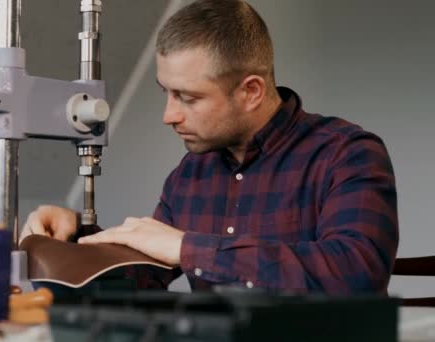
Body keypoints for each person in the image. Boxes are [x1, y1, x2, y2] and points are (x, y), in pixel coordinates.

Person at [20, 0, 398, 294]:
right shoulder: (188, 176)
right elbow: (140, 276)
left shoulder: (346, 154)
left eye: (188, 97)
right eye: (166, 93)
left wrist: (189, 249)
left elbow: (356, 272)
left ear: (251, 91)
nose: (169, 115)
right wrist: (75, 238)